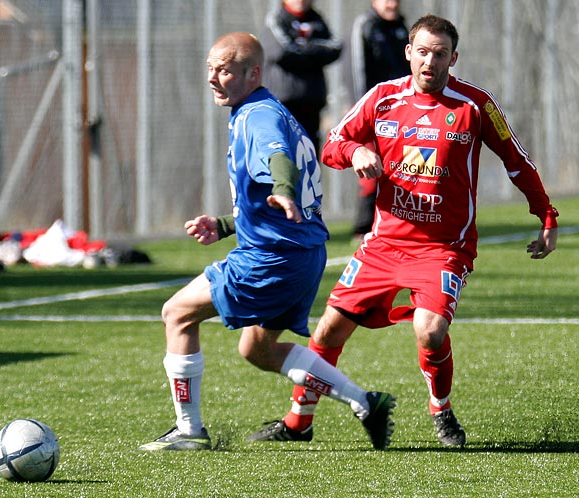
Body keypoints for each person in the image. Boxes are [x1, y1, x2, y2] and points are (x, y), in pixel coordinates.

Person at [248, 14, 559, 448]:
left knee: (430, 332)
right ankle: (299, 422)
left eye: (441, 54)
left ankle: (441, 410)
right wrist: (356, 151)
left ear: (454, 58)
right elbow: (332, 145)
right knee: (326, 334)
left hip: (442, 248)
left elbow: (517, 161)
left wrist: (546, 216)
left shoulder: (474, 105)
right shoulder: (382, 99)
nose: (430, 62)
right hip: (383, 245)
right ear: (409, 53)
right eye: (423, 52)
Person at [138, 32, 395, 452]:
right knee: (256, 348)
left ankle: (189, 431)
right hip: (303, 253)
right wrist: (223, 224)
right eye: (210, 69)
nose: (213, 79)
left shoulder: (258, 117)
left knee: (177, 313)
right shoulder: (265, 111)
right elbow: (267, 196)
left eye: (224, 70)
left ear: (253, 73)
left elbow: (279, 163)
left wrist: (284, 188)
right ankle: (366, 402)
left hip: (273, 258)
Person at [344, 0, 410, 240]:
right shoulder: (365, 25)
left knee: (403, 168)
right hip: (374, 114)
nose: (392, 4)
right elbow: (355, 69)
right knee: (371, 169)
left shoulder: (404, 28)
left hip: (403, 112)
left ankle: (396, 223)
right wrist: (363, 111)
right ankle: (362, 227)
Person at [259, 0, 343, 152]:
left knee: (310, 159)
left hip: (311, 105)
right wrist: (315, 53)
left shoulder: (317, 20)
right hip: (283, 105)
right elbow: (282, 52)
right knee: (284, 157)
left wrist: (302, 47)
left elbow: (335, 48)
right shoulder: (277, 19)